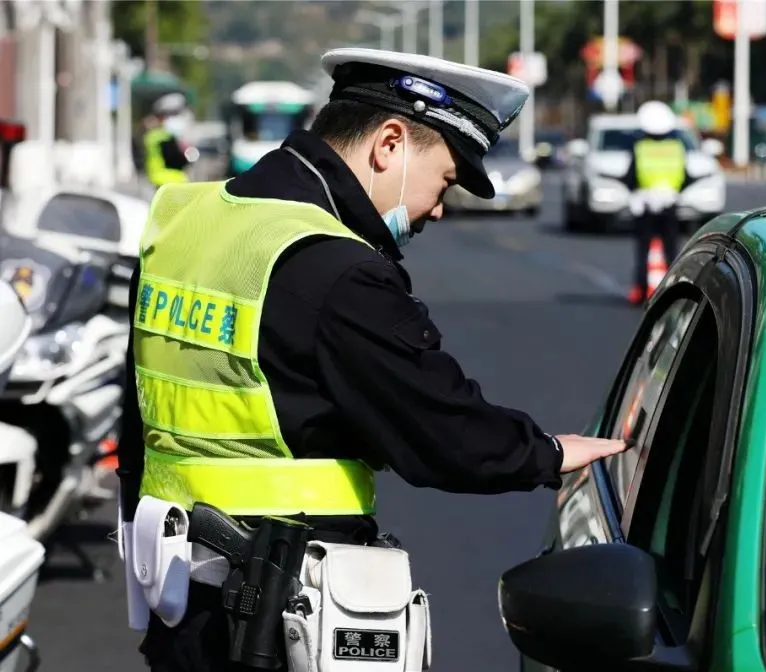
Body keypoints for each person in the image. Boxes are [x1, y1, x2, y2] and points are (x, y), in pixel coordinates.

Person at [116, 48, 627, 672]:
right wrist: (548, 453)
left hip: (179, 601)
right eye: (444, 179)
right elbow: (441, 430)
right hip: (279, 619)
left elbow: (137, 412)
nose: (439, 208)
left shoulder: (183, 219)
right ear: (389, 143)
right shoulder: (334, 268)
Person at [622, 100, 690, 306]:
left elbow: (630, 177)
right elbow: (686, 176)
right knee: (671, 250)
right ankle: (675, 290)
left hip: (646, 205)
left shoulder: (641, 147)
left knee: (643, 249)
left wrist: (634, 191)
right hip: (670, 203)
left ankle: (640, 290)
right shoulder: (677, 147)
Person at [142, 92, 191, 188]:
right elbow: (178, 160)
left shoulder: (153, 135)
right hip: (169, 181)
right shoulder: (164, 137)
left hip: (162, 180)